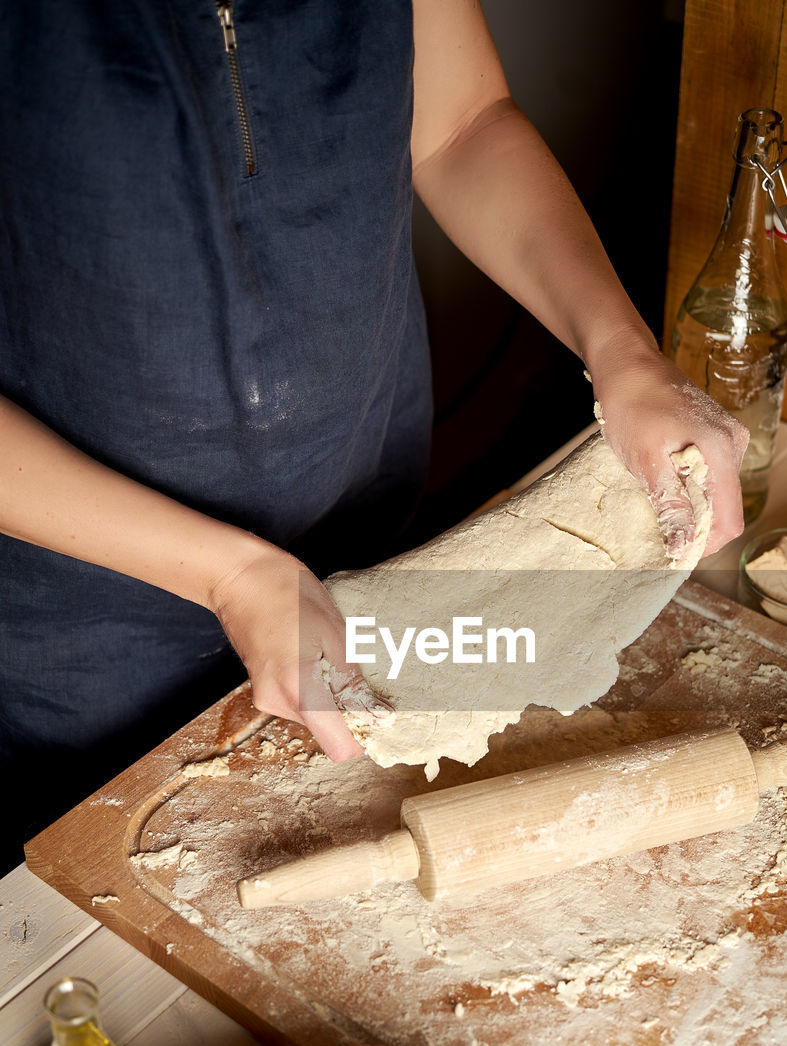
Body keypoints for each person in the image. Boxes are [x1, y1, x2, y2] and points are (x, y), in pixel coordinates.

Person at [0, 0, 747, 863]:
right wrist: (233, 575)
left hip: (367, 516)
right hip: (89, 612)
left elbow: (460, 124)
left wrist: (621, 352)